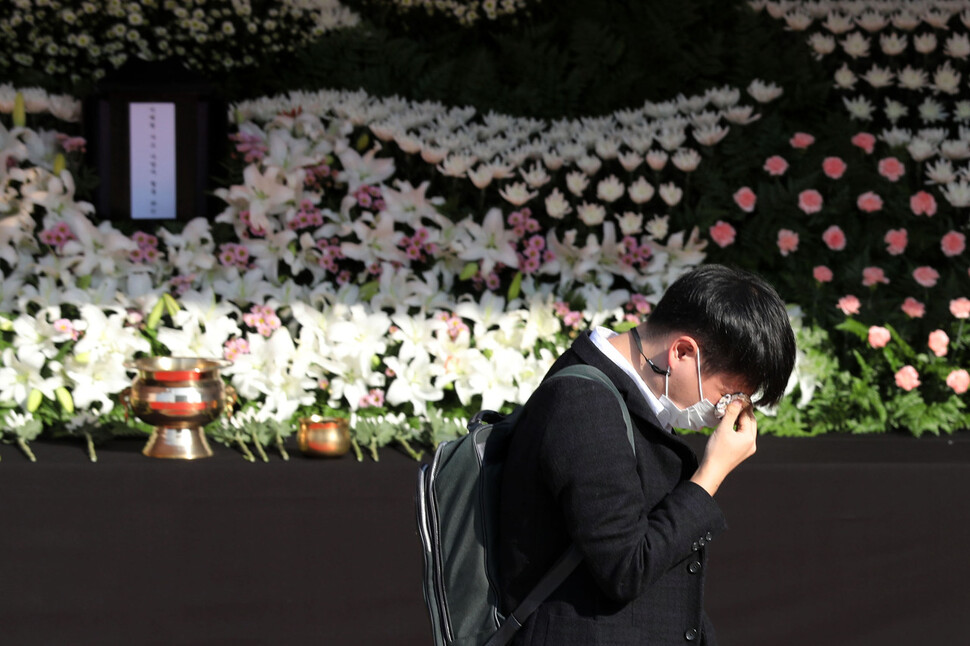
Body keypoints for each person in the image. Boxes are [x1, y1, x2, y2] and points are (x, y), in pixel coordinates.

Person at [497, 263, 797, 645]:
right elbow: (626, 568)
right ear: (682, 352)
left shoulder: (631, 393)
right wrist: (711, 472)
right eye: (728, 395)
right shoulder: (583, 403)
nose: (725, 411)